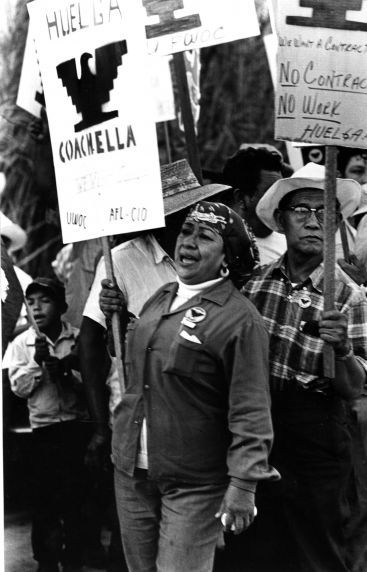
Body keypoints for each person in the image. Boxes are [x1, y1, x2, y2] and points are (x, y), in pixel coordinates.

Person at [97, 201, 279, 572]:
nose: (189, 242)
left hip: (195, 482)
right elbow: (132, 362)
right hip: (132, 470)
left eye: (205, 236)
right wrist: (113, 316)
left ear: (227, 257)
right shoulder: (160, 297)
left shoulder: (240, 319)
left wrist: (244, 484)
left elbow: (251, 409)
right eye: (186, 232)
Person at [79, 160, 233, 571]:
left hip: (194, 445)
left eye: (195, 215)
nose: (189, 226)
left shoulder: (219, 262)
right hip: (136, 439)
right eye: (181, 217)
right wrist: (100, 425)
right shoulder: (121, 262)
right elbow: (93, 344)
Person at [242, 163, 367, 572]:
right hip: (261, 427)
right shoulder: (255, 285)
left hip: (318, 435)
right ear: (281, 221)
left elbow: (355, 389)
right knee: (261, 547)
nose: (313, 222)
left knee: (319, 551)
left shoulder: (350, 296)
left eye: (324, 212)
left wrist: (344, 349)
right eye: (302, 211)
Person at [6, 277, 89, 572]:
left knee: (76, 499)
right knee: (44, 501)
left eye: (46, 300)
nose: (37, 307)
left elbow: (93, 385)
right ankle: (46, 560)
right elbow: (18, 388)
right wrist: (37, 365)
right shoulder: (22, 343)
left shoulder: (79, 339)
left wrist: (67, 373)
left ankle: (75, 557)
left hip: (76, 429)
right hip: (42, 433)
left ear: (62, 306)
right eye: (32, 302)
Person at [221, 145, 288, 264]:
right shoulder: (219, 251)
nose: (281, 199)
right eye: (271, 192)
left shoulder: (291, 242)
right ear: (241, 198)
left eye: (281, 191)